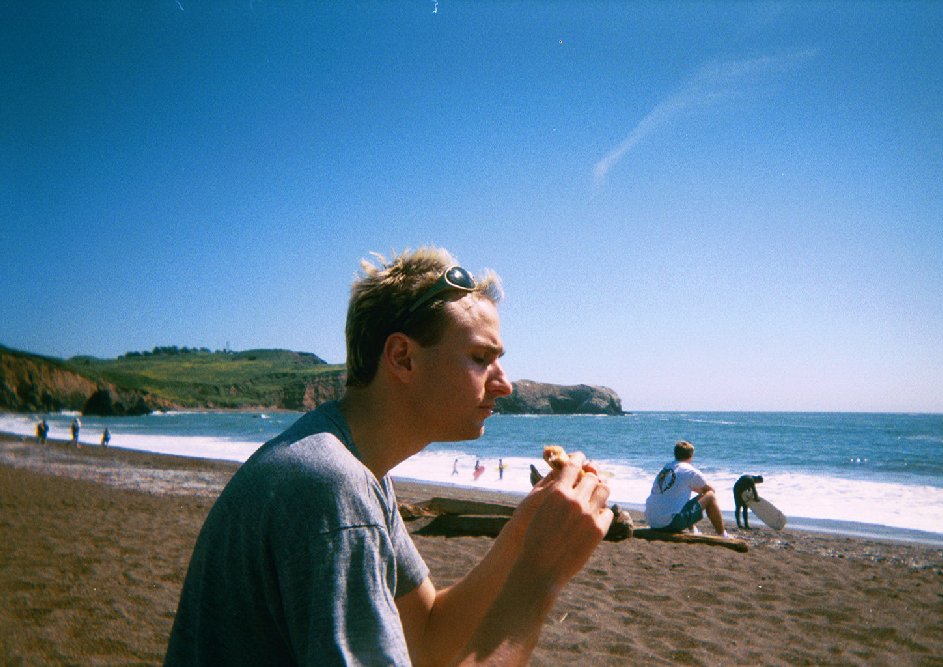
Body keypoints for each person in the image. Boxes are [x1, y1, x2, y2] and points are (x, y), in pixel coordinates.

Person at [165, 247, 612, 666]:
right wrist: (540, 576)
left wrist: (525, 532)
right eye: (480, 358)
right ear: (402, 357)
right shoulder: (330, 485)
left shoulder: (356, 468)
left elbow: (428, 637)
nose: (505, 384)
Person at [645, 440, 730, 538]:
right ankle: (723, 534)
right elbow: (710, 490)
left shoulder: (666, 468)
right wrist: (698, 490)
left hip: (652, 521)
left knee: (682, 497)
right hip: (669, 523)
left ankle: (693, 530)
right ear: (691, 456)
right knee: (710, 496)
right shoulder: (690, 471)